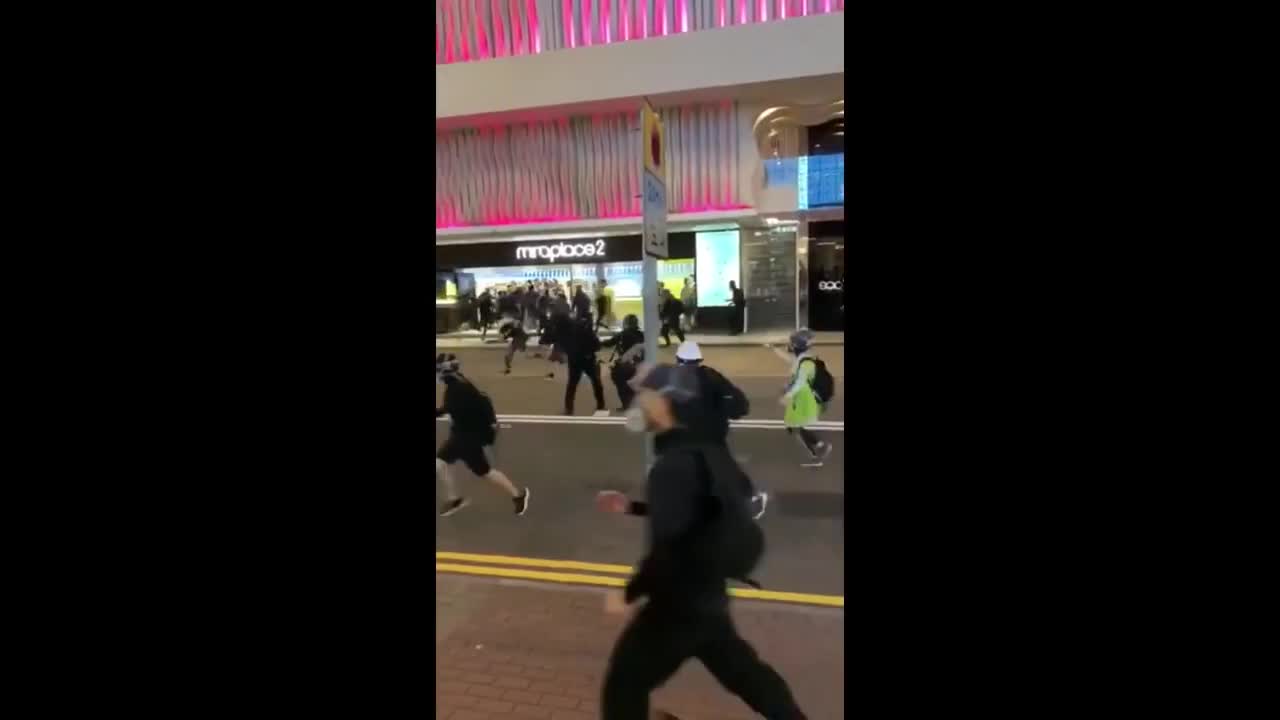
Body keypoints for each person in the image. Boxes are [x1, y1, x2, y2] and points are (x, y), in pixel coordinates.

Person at [594, 364, 807, 720]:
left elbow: (668, 546)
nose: (638, 401)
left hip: (676, 606)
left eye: (645, 394)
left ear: (664, 402)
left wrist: (629, 593)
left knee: (623, 686)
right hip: (710, 594)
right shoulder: (710, 449)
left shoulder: (672, 465)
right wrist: (633, 506)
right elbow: (710, 507)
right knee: (748, 676)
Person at [674, 341, 766, 518]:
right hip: (713, 433)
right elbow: (734, 398)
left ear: (679, 359)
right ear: (698, 359)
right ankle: (750, 500)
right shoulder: (711, 375)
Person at [434, 353, 530, 517]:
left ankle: (518, 495)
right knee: (442, 463)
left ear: (444, 372)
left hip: (466, 438)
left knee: (483, 472)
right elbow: (476, 402)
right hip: (463, 435)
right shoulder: (460, 381)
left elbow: (447, 409)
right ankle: (456, 499)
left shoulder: (456, 390)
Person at [780, 329, 831, 467]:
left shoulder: (806, 362)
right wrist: (772, 349)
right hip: (800, 397)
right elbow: (789, 359)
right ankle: (819, 446)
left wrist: (787, 395)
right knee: (795, 426)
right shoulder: (803, 358)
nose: (789, 345)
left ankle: (817, 453)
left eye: (792, 343)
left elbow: (800, 382)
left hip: (802, 397)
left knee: (794, 427)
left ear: (798, 345)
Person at [563, 316, 606, 415]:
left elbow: (566, 346)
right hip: (588, 360)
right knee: (596, 382)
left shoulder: (571, 334)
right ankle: (600, 403)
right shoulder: (589, 333)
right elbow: (597, 346)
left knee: (572, 384)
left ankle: (569, 407)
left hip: (575, 361)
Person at [602, 314, 645, 410]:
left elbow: (608, 343)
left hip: (626, 365)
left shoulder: (622, 334)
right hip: (640, 365)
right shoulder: (642, 334)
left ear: (625, 323)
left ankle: (626, 404)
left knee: (619, 380)